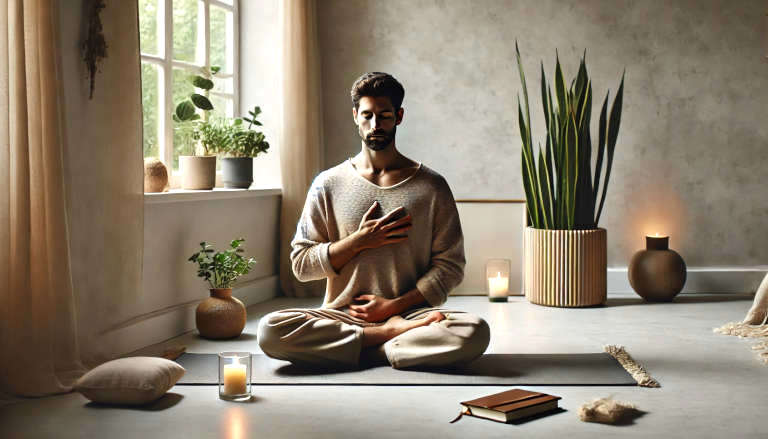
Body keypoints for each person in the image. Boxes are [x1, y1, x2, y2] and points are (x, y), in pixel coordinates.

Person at [257, 72, 490, 369]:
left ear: (399, 116)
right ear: (355, 116)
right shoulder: (327, 184)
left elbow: (451, 266)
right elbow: (301, 265)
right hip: (342, 315)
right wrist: (359, 241)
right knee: (270, 330)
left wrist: (394, 307)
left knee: (474, 331)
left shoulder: (432, 186)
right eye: (367, 115)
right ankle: (387, 340)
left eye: (385, 115)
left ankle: (357, 348)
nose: (376, 125)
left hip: (411, 316)